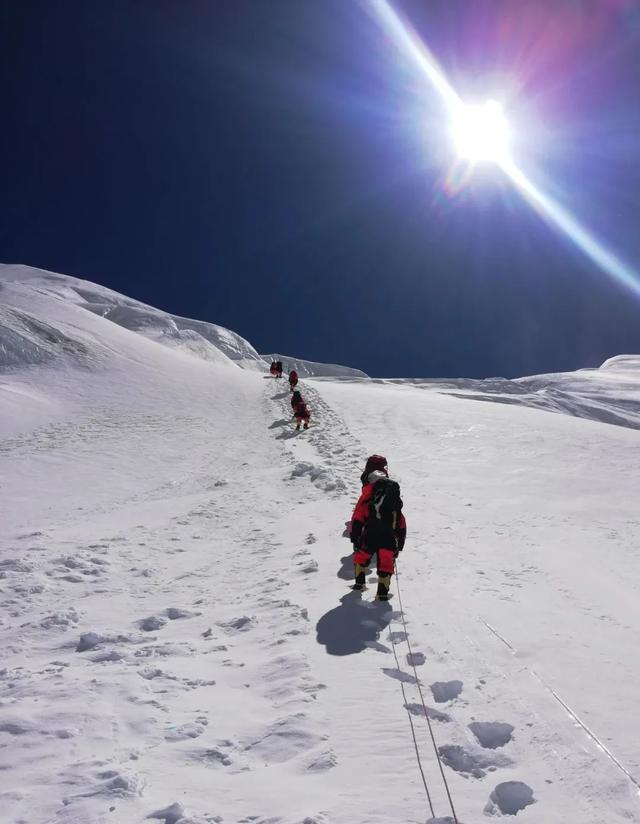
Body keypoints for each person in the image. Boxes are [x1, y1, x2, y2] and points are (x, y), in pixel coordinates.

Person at [350, 469, 406, 601]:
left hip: (370, 534)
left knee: (361, 556)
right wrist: (400, 544)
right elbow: (401, 524)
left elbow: (358, 518)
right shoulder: (393, 502)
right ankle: (382, 594)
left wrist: (355, 537)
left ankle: (359, 584)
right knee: (386, 563)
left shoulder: (367, 501)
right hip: (389, 538)